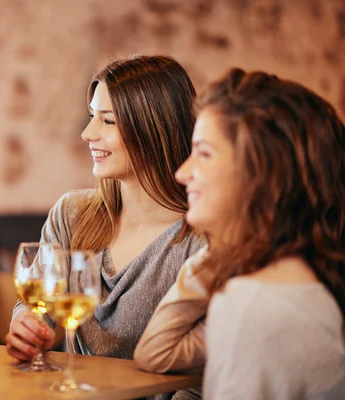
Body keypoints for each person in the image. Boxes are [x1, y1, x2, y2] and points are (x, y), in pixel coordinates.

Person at [139, 68, 345, 399]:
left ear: (262, 173)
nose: (182, 172)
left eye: (204, 153)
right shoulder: (301, 285)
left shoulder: (251, 304)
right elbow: (155, 352)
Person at [7, 55, 204, 399]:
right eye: (91, 117)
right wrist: (28, 327)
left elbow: (199, 385)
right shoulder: (71, 213)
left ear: (154, 129)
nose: (87, 134)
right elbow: (37, 309)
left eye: (108, 121)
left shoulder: (200, 240)